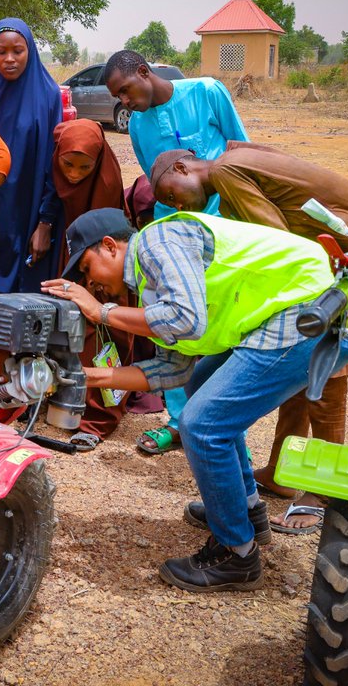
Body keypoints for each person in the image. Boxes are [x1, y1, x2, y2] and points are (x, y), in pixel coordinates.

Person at [45, 208, 348, 591]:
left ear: (109, 247)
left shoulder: (156, 242)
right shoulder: (152, 287)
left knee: (202, 425)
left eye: (87, 269)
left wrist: (101, 312)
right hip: (290, 315)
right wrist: (89, 377)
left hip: (322, 311)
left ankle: (237, 554)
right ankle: (247, 511)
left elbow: (185, 319)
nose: (90, 284)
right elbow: (173, 371)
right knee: (199, 383)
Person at [150, 142, 348, 532]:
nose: (178, 206)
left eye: (172, 194)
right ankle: (281, 470)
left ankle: (324, 489)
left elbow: (277, 241)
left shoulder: (226, 171)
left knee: (323, 372)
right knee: (296, 366)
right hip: (344, 251)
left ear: (182, 166)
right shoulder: (235, 159)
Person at [103, 49, 249, 454]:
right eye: (118, 97)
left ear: (145, 72)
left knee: (219, 328)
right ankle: (180, 420)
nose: (125, 103)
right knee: (175, 331)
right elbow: (160, 185)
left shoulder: (207, 91)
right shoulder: (137, 126)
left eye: (126, 91)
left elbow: (241, 152)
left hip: (228, 230)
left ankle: (220, 423)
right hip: (179, 234)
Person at [49, 119, 132, 449]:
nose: (73, 174)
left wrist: (93, 289)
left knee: (105, 335)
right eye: (67, 165)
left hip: (106, 267)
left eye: (85, 167)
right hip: (76, 254)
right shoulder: (57, 171)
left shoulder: (107, 183)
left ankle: (100, 417)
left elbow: (106, 250)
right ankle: (63, 398)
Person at [0, 18, 64, 293]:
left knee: (25, 296)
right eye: (1, 52)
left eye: (17, 51)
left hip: (28, 210)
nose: (9, 59)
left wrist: (46, 222)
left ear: (30, 51)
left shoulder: (48, 95)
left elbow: (52, 161)